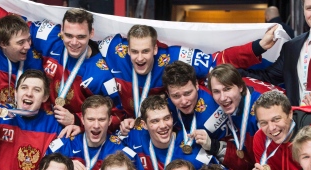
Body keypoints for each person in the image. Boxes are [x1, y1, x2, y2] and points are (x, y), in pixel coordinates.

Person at [0, 2, 123, 128]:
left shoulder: (102, 75)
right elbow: (14, 26)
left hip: (68, 134)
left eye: (81, 37)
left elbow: (116, 116)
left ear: (92, 34)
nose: (74, 42)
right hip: (36, 120)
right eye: (68, 35)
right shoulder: (50, 38)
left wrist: (76, 120)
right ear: (61, 31)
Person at [100, 24, 278, 119]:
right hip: (131, 125)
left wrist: (258, 46)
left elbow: (216, 62)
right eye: (135, 51)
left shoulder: (175, 57)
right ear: (127, 50)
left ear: (155, 49)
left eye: (145, 51)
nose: (140, 58)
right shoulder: (112, 50)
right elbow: (83, 43)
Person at [46, 95, 157, 170]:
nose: (96, 125)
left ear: (109, 121)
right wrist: (65, 166)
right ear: (82, 120)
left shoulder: (122, 151)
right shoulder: (64, 145)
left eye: (101, 119)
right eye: (91, 119)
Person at [123, 95, 217, 170]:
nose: (163, 125)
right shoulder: (135, 137)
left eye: (166, 118)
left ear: (172, 117)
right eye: (155, 121)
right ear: (144, 124)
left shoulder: (192, 143)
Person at [193, 64, 264, 170]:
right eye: (216, 91)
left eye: (227, 89)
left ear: (240, 87)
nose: (222, 98)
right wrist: (213, 146)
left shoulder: (261, 109)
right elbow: (245, 158)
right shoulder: (233, 107)